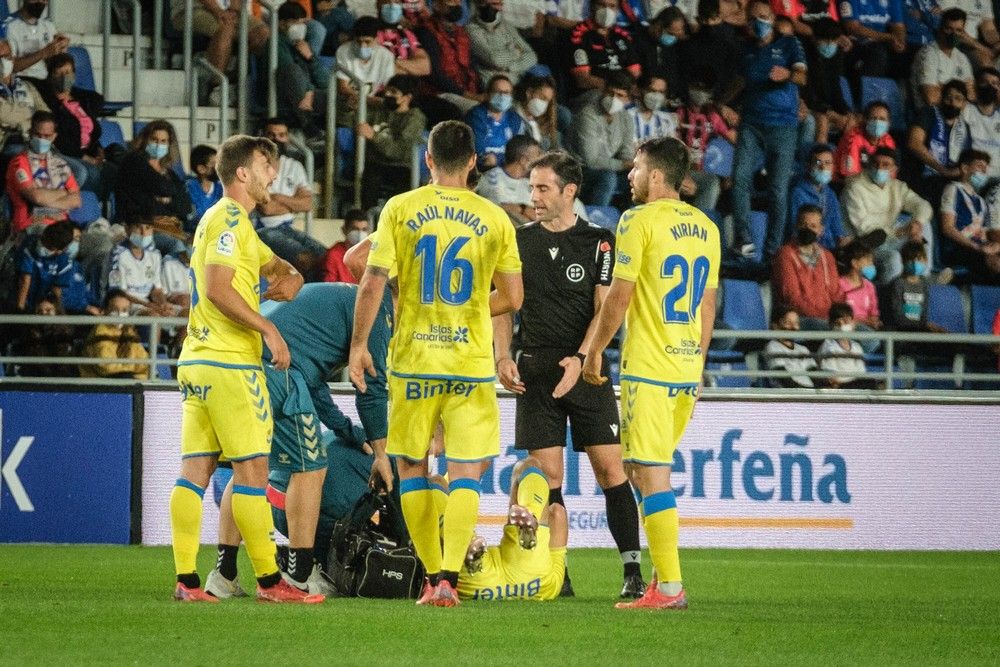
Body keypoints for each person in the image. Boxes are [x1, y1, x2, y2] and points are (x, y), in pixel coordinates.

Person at [348, 120, 523, 607]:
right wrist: (468, 308)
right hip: (469, 363)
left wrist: (359, 344)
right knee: (465, 471)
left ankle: (429, 579)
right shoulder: (495, 218)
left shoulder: (401, 208)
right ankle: (451, 576)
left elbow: (369, 277)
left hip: (414, 361)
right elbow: (513, 297)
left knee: (412, 467)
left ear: (427, 159)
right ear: (473, 162)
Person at [494, 150, 645, 599]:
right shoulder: (518, 241)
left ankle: (632, 571)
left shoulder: (599, 241)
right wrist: (502, 356)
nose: (534, 197)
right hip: (535, 370)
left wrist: (582, 357)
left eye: (543, 188)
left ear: (570, 191)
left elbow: (605, 308)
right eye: (532, 188)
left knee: (610, 470)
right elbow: (502, 304)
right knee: (547, 476)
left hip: (587, 368)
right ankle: (556, 572)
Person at [169, 133, 311, 604]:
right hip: (229, 362)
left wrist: (291, 278)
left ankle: (188, 581)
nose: (274, 175)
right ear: (244, 173)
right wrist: (268, 328)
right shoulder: (230, 218)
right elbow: (218, 288)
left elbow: (279, 269)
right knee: (253, 471)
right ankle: (271, 582)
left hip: (198, 361)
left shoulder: (234, 226)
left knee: (195, 471)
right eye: (267, 166)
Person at [582, 136, 720, 610]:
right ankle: (665, 573)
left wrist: (594, 351)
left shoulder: (637, 220)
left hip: (650, 367)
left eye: (636, 167)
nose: (630, 175)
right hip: (684, 367)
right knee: (641, 468)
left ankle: (671, 588)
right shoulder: (706, 226)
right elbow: (707, 304)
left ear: (657, 176)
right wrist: (698, 365)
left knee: (649, 472)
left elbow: (619, 296)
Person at [204, 282, 393, 598]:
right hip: (276, 371)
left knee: (250, 470)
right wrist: (381, 452)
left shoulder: (339, 299)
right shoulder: (376, 310)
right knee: (310, 468)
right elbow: (371, 389)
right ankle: (299, 576)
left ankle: (223, 575)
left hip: (234, 364)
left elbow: (313, 384)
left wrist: (348, 431)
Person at [730, 0, 808, 260]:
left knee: (777, 189)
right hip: (751, 124)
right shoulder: (745, 49)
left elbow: (802, 77)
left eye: (763, 16)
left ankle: (773, 250)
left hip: (783, 126)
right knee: (740, 178)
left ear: (773, 18)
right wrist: (720, 102)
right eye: (753, 18)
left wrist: (787, 75)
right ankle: (743, 239)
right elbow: (740, 81)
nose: (758, 22)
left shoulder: (790, 44)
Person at [455, 458, 567, 601]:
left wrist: (464, 474)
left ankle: (470, 552)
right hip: (534, 579)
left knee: (437, 486)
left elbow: (556, 513)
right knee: (529, 465)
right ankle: (531, 513)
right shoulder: (551, 586)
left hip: (477, 585)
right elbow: (557, 512)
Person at [841, 146, 934, 283]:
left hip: (889, 238)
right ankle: (892, 291)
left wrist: (917, 224)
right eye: (876, 163)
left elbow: (923, 205)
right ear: (869, 164)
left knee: (924, 225)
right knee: (894, 258)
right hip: (864, 244)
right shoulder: (855, 187)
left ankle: (924, 278)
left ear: (894, 169)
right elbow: (865, 229)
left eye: (885, 165)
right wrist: (900, 232)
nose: (879, 168)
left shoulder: (896, 186)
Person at [257, 118, 326, 280]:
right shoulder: (253, 166)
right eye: (271, 135)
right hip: (261, 230)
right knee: (304, 259)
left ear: (287, 138)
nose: (276, 139)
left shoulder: (294, 166)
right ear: (262, 137)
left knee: (326, 255)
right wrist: (294, 203)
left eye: (281, 135)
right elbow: (267, 209)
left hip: (287, 228)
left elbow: (308, 204)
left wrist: (278, 197)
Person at [113, 120, 193, 242]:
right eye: (154, 140)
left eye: (163, 141)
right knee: (178, 246)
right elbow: (162, 189)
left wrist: (167, 200)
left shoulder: (169, 172)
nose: (158, 145)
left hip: (170, 226)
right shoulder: (134, 161)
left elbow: (185, 207)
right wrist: (168, 198)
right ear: (145, 140)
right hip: (141, 227)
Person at [4, 110, 80, 237]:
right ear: (30, 133)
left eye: (47, 136)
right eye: (38, 135)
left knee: (98, 240)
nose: (41, 140)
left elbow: (76, 200)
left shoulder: (61, 164)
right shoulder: (19, 162)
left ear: (54, 136)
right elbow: (36, 197)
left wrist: (49, 206)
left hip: (61, 225)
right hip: (30, 226)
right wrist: (64, 193)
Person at [38, 52, 105, 194]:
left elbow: (90, 130)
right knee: (91, 174)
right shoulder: (50, 103)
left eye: (68, 72)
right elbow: (60, 139)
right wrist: (85, 157)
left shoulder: (82, 101)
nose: (64, 77)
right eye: (59, 73)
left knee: (116, 169)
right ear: (50, 76)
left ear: (74, 75)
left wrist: (99, 150)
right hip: (67, 153)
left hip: (88, 152)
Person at [358, 74, 428, 208]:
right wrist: (350, 108)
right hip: (377, 163)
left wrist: (374, 137)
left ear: (407, 98)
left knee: (406, 184)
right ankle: (367, 215)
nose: (387, 94)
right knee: (370, 174)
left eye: (393, 92)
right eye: (387, 90)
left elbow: (400, 151)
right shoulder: (379, 110)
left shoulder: (415, 118)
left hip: (401, 166)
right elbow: (355, 120)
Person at [568, 71, 636, 208]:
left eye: (620, 95)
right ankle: (597, 218)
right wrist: (624, 164)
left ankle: (629, 218)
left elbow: (626, 154)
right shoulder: (587, 115)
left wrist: (635, 167)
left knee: (640, 177)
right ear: (603, 91)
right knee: (608, 177)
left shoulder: (626, 118)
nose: (613, 99)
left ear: (627, 99)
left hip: (608, 168)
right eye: (610, 93)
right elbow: (591, 161)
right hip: (580, 171)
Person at [772, 204, 844, 329]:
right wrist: (827, 318)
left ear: (821, 230)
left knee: (867, 334)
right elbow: (792, 299)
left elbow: (836, 294)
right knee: (830, 329)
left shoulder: (827, 256)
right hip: (799, 318)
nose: (808, 229)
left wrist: (841, 317)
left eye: (813, 226)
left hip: (828, 319)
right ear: (796, 226)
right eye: (803, 225)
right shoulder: (785, 254)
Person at [906, 78, 971, 206]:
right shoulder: (929, 113)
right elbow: (914, 143)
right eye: (948, 97)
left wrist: (957, 172)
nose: (952, 102)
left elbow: (968, 160)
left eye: (958, 99)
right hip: (925, 177)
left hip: (952, 180)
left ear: (964, 104)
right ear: (942, 99)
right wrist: (942, 170)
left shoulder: (965, 127)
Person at [270, 2, 332, 134]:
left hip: (305, 96)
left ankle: (331, 132)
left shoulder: (302, 45)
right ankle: (308, 126)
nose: (300, 27)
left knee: (335, 94)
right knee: (293, 70)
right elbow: (290, 72)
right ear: (282, 24)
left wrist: (310, 58)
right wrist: (310, 91)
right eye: (295, 23)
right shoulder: (275, 43)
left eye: (302, 23)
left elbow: (325, 81)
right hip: (280, 95)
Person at [939, 147, 1000, 280]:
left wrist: (994, 246)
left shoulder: (981, 201)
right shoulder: (953, 189)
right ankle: (956, 276)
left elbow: (983, 233)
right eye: (979, 166)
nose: (984, 172)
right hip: (958, 247)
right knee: (996, 264)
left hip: (979, 247)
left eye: (985, 168)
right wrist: (976, 247)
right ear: (965, 168)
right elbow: (947, 228)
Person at [566, 0, 641, 106]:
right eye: (601, 4)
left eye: (612, 6)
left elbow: (634, 73)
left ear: (617, 9)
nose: (607, 10)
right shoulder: (578, 34)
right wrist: (613, 88)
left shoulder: (623, 35)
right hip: (592, 93)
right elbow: (582, 79)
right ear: (592, 6)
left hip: (622, 92)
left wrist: (625, 91)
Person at [168, 0, 268, 78]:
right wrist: (217, 11)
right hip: (191, 9)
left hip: (226, 10)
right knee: (225, 28)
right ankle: (215, 86)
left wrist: (234, 10)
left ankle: (239, 80)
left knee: (262, 33)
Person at [415, 0, 482, 114]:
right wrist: (468, 95)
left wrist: (482, 94)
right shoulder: (426, 32)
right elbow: (434, 75)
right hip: (439, 93)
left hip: (467, 90)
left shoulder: (461, 33)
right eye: (451, 1)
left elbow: (472, 67)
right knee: (476, 111)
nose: (457, 4)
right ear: (436, 5)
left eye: (458, 1)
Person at [801, 18, 855, 145]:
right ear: (814, 39)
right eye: (825, 40)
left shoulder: (836, 55)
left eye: (833, 40)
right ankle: (820, 155)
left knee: (852, 121)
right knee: (822, 121)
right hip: (807, 104)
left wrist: (845, 112)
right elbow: (805, 91)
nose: (830, 44)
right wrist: (828, 112)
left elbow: (835, 87)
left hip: (824, 107)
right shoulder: (803, 54)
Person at [107, 216, 174, 317]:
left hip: (148, 303)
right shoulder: (117, 254)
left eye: (148, 228)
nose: (143, 233)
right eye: (138, 227)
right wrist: (148, 305)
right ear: (127, 229)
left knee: (186, 314)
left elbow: (156, 290)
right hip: (127, 304)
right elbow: (118, 293)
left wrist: (163, 304)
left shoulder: (155, 254)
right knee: (154, 316)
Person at [336, 15, 396, 125]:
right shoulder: (343, 51)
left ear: (376, 39)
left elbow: (389, 87)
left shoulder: (386, 56)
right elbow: (343, 87)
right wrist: (367, 99)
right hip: (348, 101)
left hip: (371, 102)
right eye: (358, 42)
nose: (362, 46)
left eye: (367, 42)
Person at [79, 288, 150, 380]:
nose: (120, 314)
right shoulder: (100, 332)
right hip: (100, 383)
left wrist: (136, 375)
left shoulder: (128, 330)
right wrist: (132, 372)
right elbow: (107, 367)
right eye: (115, 310)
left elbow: (143, 361)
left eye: (124, 310)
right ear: (105, 311)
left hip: (127, 380)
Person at [910, 8, 975, 108]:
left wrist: (940, 87)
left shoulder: (962, 57)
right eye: (949, 29)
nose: (953, 34)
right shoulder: (927, 54)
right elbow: (931, 98)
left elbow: (972, 96)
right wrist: (962, 89)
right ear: (940, 28)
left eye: (958, 30)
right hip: (931, 114)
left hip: (959, 114)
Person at [788, 144, 847, 250]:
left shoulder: (830, 194)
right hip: (808, 245)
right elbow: (796, 228)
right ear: (808, 166)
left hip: (831, 247)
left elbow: (837, 225)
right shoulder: (798, 193)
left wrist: (841, 238)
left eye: (827, 163)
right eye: (818, 162)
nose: (823, 167)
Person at [466, 0, 539, 86]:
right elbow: (495, 60)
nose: (490, 8)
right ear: (477, 4)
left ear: (501, 5)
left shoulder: (506, 26)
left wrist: (511, 68)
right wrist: (516, 51)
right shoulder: (471, 29)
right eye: (484, 3)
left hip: (517, 79)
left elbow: (532, 56)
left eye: (494, 4)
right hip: (492, 82)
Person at [474, 134, 542, 225]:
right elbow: (499, 212)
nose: (540, 162)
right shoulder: (493, 179)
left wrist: (521, 209)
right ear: (523, 160)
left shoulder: (529, 184)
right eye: (537, 157)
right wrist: (524, 209)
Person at [465, 74, 528, 170]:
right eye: (497, 92)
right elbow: (478, 153)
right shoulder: (476, 116)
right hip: (480, 170)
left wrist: (498, 160)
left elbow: (519, 152)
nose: (502, 96)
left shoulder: (514, 118)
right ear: (488, 94)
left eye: (506, 93)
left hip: (508, 170)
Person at [886, 240, 949, 333]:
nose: (915, 263)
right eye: (911, 259)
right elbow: (897, 316)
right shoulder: (898, 284)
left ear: (925, 260)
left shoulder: (924, 283)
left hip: (920, 330)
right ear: (903, 261)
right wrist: (924, 326)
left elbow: (924, 313)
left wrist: (926, 326)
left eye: (919, 259)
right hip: (901, 331)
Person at [12, 219, 73, 313]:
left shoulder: (65, 261)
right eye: (43, 241)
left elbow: (57, 290)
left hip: (43, 305)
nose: (43, 246)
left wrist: (59, 313)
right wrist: (20, 308)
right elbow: (25, 279)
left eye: (49, 247)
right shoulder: (30, 244)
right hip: (22, 298)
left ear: (59, 251)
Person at [1, 0, 68, 82]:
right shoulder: (8, 26)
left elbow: (54, 61)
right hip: (21, 81)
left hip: (45, 80)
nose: (40, 2)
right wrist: (44, 52)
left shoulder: (48, 26)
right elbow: (9, 68)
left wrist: (61, 48)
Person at [11, 295, 75, 377]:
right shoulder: (29, 334)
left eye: (48, 310)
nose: (44, 314)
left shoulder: (65, 334)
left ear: (57, 312)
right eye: (39, 312)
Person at [818, 302, 880, 388]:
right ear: (831, 325)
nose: (842, 326)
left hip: (856, 385)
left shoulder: (857, 347)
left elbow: (861, 372)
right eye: (837, 323)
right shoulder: (828, 347)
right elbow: (832, 378)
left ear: (853, 323)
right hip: (840, 387)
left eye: (846, 322)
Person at [836, 240, 882, 352]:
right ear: (855, 263)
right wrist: (864, 322)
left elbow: (874, 312)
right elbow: (839, 313)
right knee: (871, 341)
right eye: (868, 261)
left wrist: (874, 321)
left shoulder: (869, 286)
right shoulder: (840, 284)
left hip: (867, 326)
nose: (871, 265)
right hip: (848, 326)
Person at [834, 101, 896, 180]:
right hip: (848, 182)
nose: (877, 122)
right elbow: (850, 177)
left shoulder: (888, 140)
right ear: (865, 120)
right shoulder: (852, 139)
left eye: (882, 119)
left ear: (889, 123)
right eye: (873, 118)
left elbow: (890, 174)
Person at [762, 304, 818, 388]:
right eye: (788, 323)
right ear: (775, 326)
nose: (793, 327)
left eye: (796, 323)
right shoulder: (772, 347)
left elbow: (815, 375)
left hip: (810, 392)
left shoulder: (803, 349)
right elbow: (785, 380)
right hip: (789, 393)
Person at [375, 0, 432, 76]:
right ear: (378, 6)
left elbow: (425, 67)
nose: (392, 6)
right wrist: (410, 67)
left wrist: (395, 61)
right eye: (387, 2)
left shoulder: (406, 34)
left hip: (407, 82)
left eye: (397, 2)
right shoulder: (372, 33)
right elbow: (376, 69)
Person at [961, 67, 1000, 177]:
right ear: (977, 85)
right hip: (974, 174)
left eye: (994, 83)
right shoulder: (966, 110)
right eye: (985, 82)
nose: (990, 86)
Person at [513, 73, 560, 150]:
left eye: (547, 101)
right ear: (529, 93)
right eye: (542, 98)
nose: (544, 104)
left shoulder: (542, 122)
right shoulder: (512, 116)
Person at [323, 210, 370, 283]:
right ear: (344, 230)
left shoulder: (372, 254)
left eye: (364, 229)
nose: (360, 234)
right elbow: (329, 287)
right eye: (355, 229)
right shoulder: (334, 255)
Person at [186, 145, 223, 227]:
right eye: (214, 164)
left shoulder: (222, 189)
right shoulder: (189, 188)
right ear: (201, 169)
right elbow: (190, 217)